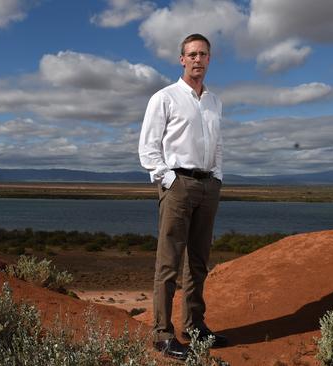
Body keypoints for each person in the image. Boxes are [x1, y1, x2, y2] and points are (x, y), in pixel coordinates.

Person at [138, 33, 228, 360]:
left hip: (207, 186)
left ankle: (195, 326)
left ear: (209, 59)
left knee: (199, 262)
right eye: (192, 54)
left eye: (203, 54)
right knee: (169, 264)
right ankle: (162, 334)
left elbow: (216, 145)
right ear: (181, 59)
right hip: (178, 185)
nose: (197, 60)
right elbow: (148, 147)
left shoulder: (214, 101)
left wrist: (216, 177)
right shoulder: (164, 98)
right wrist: (168, 178)